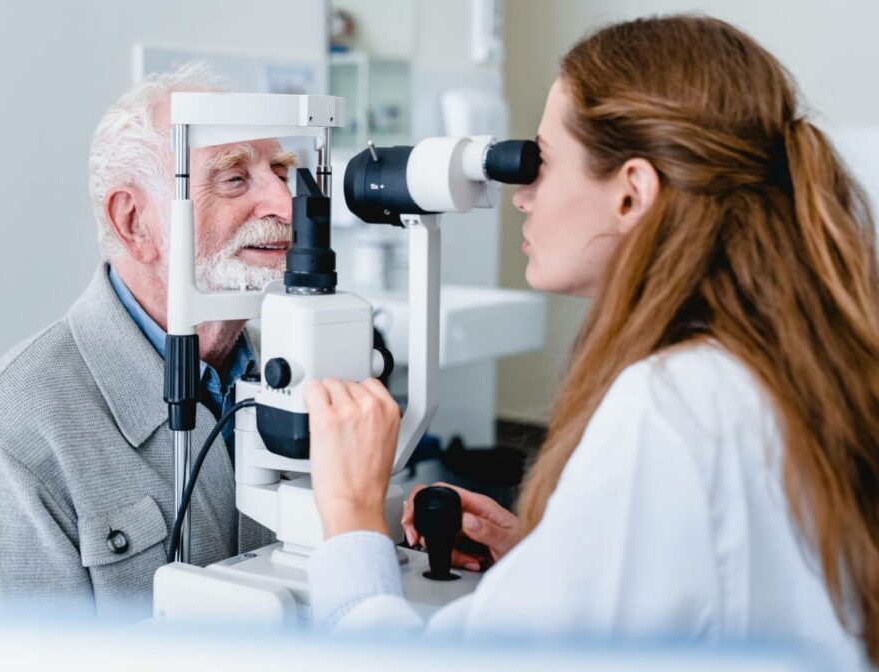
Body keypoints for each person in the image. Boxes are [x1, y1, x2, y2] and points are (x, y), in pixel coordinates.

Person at [304, 15, 879, 670]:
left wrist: (350, 519)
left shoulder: (671, 407)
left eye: (540, 163)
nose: (521, 195)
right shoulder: (780, 361)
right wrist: (554, 559)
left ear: (632, 193)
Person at [0, 62, 295, 619]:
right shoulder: (22, 427)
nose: (286, 207)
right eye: (235, 177)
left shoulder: (292, 367)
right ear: (134, 222)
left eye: (283, 172)